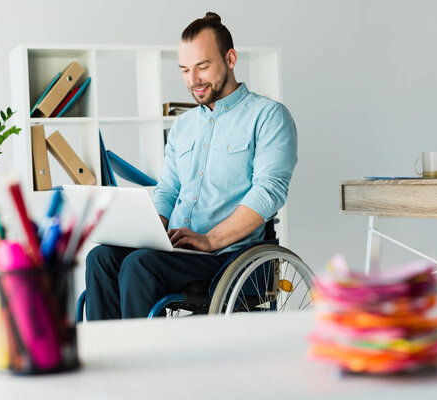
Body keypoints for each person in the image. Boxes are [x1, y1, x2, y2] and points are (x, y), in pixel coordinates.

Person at [85, 12, 297, 320]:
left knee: (140, 264)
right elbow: (168, 189)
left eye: (203, 66)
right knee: (101, 257)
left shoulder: (268, 116)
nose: (192, 80)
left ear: (231, 58)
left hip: (229, 257)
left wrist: (209, 240)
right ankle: (108, 356)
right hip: (176, 250)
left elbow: (270, 191)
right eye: (184, 69)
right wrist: (149, 228)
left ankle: (144, 362)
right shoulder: (182, 126)